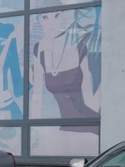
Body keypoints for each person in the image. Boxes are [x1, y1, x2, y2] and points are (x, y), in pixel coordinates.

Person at [30, 0, 100, 128]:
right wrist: (34, 131)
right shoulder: (39, 50)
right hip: (64, 126)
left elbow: (91, 102)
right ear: (40, 20)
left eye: (56, 15)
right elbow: (37, 98)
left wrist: (104, 85)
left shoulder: (79, 48)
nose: (51, 23)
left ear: (62, 16)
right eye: (45, 17)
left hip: (87, 123)